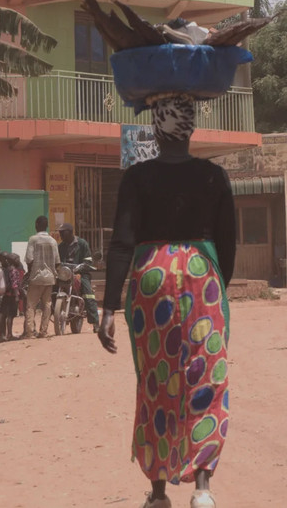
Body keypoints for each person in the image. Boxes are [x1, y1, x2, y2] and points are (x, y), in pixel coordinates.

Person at [97, 94, 236, 508]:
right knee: (206, 376)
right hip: (201, 276)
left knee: (156, 380)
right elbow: (228, 244)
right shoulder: (214, 176)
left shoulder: (137, 178)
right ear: (191, 128)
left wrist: (108, 307)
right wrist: (217, 289)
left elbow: (122, 242)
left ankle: (158, 493)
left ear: (155, 131)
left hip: (150, 277)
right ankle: (203, 489)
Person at [57, 223, 100, 332]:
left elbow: (88, 260)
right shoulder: (61, 246)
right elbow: (57, 261)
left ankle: (96, 323)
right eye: (60, 232)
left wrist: (82, 266)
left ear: (70, 232)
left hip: (81, 273)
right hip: (65, 274)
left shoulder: (82, 243)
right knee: (52, 289)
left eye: (63, 232)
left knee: (88, 293)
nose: (60, 234)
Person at [23, 216, 60, 339]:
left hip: (36, 277)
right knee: (47, 304)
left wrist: (30, 273)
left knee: (31, 305)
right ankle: (43, 331)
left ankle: (29, 332)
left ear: (37, 225)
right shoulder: (53, 241)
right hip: (49, 278)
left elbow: (29, 259)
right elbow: (57, 262)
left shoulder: (33, 239)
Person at [0, 253, 23, 340]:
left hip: (5, 295)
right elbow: (15, 285)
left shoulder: (5, 269)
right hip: (12, 295)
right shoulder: (14, 270)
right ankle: (9, 334)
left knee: (3, 314)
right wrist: (16, 296)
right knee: (10, 316)